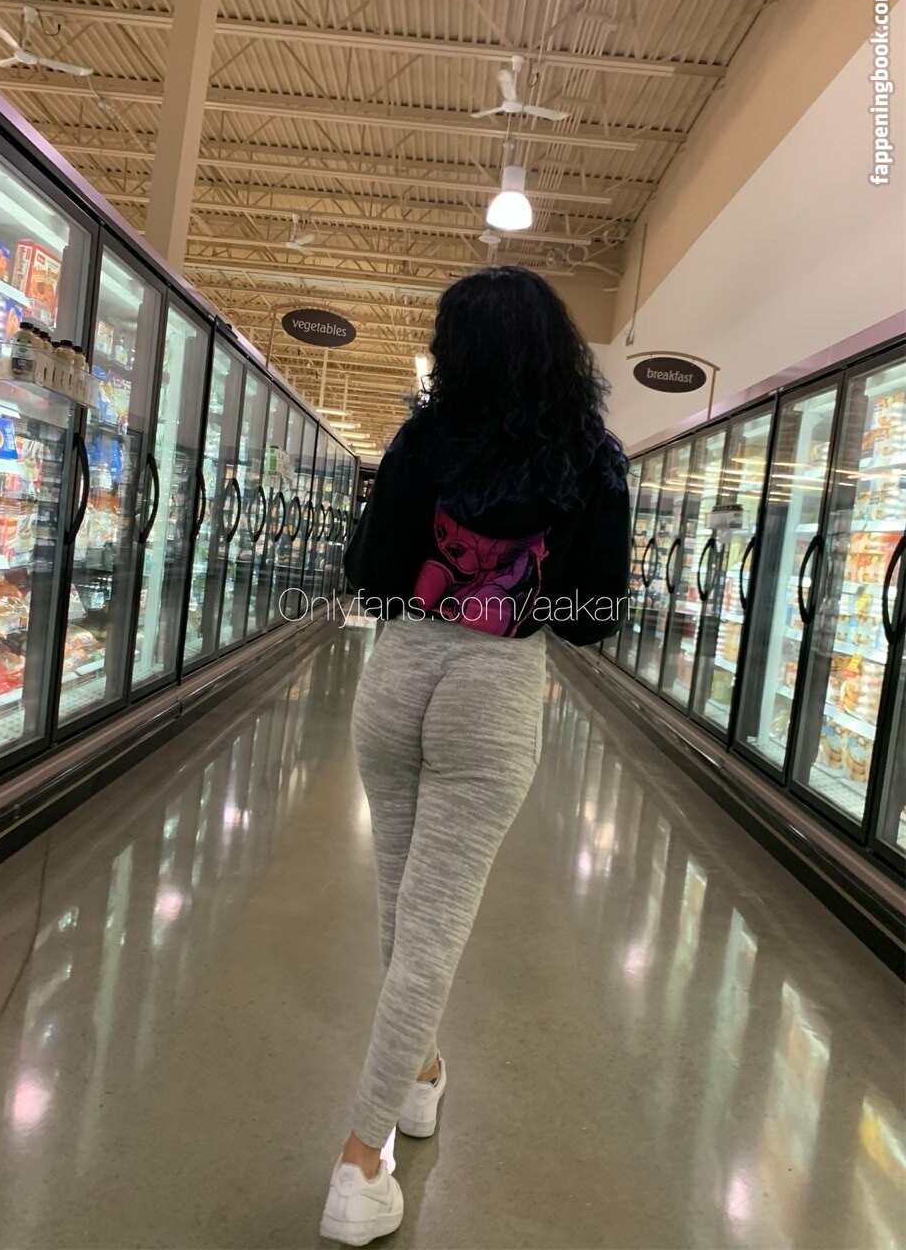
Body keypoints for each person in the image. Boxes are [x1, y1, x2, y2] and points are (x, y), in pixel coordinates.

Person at [320, 265, 630, 1245]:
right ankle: (359, 1161)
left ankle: (418, 1077)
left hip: (398, 676)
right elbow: (593, 615)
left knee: (401, 906)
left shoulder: (422, 440)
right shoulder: (590, 456)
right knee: (435, 928)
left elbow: (369, 575)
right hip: (492, 699)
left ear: (453, 350)